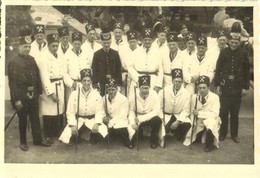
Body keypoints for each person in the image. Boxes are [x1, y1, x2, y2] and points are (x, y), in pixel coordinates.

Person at [8, 34, 51, 151]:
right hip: (22, 97)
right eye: (24, 47)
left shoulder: (32, 59)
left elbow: (36, 76)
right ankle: (23, 142)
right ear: (19, 47)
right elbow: (12, 84)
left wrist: (38, 91)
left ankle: (37, 140)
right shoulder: (13, 62)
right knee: (22, 119)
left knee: (35, 118)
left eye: (28, 46)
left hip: (34, 95)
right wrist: (16, 100)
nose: (27, 49)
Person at [214, 27, 250, 143]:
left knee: (235, 113)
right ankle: (223, 133)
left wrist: (245, 87)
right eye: (232, 42)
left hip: (237, 87)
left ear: (239, 42)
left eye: (236, 42)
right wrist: (218, 85)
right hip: (225, 86)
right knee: (223, 112)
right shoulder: (224, 52)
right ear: (229, 42)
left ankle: (234, 135)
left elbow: (246, 71)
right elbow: (218, 69)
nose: (234, 44)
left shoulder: (243, 53)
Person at [59, 69, 108, 144]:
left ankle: (87, 134)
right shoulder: (74, 94)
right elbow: (70, 112)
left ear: (91, 82)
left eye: (88, 81)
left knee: (104, 135)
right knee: (71, 138)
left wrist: (97, 123)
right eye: (84, 81)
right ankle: (82, 134)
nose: (86, 83)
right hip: (78, 120)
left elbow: (100, 111)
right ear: (81, 82)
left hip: (92, 120)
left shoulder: (96, 95)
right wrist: (72, 125)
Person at [38, 33, 65, 144]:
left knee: (58, 110)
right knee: (49, 111)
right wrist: (51, 93)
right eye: (53, 46)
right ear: (48, 46)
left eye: (56, 45)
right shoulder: (43, 57)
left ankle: (56, 131)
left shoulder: (59, 55)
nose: (55, 48)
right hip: (50, 86)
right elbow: (44, 77)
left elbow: (62, 71)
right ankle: (48, 134)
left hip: (59, 84)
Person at [184, 75, 221, 152]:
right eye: (200, 88)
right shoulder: (194, 97)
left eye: (204, 88)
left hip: (211, 120)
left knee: (211, 122)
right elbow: (192, 112)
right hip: (199, 121)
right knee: (195, 138)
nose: (202, 90)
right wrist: (193, 122)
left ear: (208, 87)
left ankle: (209, 144)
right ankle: (199, 135)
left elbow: (215, 114)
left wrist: (199, 113)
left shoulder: (215, 97)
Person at [128, 76, 162, 149]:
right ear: (139, 88)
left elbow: (156, 111)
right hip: (136, 117)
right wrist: (132, 123)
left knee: (158, 120)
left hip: (149, 117)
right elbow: (131, 110)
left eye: (146, 88)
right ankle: (136, 136)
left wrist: (141, 118)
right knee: (132, 133)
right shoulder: (132, 96)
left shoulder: (154, 95)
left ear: (149, 88)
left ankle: (153, 140)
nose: (144, 90)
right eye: (142, 88)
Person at [99, 78, 134, 148]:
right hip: (108, 119)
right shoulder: (104, 98)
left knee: (121, 127)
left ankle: (127, 141)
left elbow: (123, 115)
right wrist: (104, 117)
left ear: (117, 89)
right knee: (102, 129)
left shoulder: (123, 99)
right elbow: (101, 110)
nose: (111, 92)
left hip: (119, 119)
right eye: (109, 90)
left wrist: (111, 121)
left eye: (113, 90)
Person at [128, 28, 163, 96]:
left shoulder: (157, 52)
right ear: (142, 40)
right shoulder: (136, 52)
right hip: (138, 80)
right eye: (145, 40)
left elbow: (160, 69)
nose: (147, 42)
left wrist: (158, 84)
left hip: (152, 80)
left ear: (152, 40)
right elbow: (130, 67)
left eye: (149, 40)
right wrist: (137, 79)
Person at [159, 69, 191, 142]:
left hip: (177, 115)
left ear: (182, 82)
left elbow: (186, 110)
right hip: (166, 115)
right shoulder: (163, 91)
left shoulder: (186, 93)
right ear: (172, 81)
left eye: (179, 82)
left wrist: (177, 122)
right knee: (163, 132)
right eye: (176, 81)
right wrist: (162, 118)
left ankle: (178, 133)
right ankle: (171, 130)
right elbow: (159, 107)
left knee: (187, 124)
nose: (177, 84)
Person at [63, 32, 92, 104]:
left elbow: (90, 68)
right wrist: (71, 83)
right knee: (73, 105)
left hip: (85, 84)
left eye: (79, 44)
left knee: (84, 105)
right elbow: (64, 72)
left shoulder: (85, 54)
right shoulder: (67, 55)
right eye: (75, 44)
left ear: (81, 44)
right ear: (72, 44)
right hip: (73, 85)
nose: (77, 46)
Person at [91, 29, 123, 96]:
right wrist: (95, 84)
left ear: (111, 42)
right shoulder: (97, 54)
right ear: (101, 43)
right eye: (104, 43)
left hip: (114, 83)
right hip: (101, 83)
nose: (106, 45)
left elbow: (118, 70)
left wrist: (119, 84)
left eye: (108, 43)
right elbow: (94, 70)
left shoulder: (115, 53)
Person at [118, 30, 140, 97]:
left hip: (136, 75)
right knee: (124, 94)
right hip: (125, 74)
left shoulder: (140, 50)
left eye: (134, 42)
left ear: (137, 41)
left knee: (134, 95)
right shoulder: (123, 50)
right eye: (131, 42)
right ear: (128, 42)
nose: (132, 43)